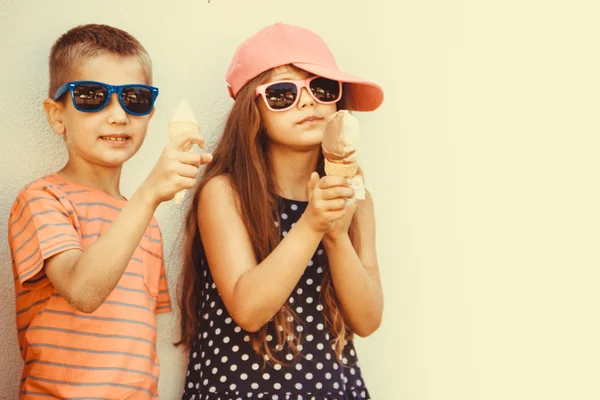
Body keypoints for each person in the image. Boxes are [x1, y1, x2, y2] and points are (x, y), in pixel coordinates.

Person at [177, 23, 384, 399]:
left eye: (321, 88)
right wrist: (312, 225)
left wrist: (336, 237)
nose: (307, 102)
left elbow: (367, 320)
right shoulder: (225, 194)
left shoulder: (358, 197)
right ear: (251, 111)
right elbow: (249, 308)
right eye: (282, 93)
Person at [7, 23, 211, 399]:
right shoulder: (41, 198)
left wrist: (145, 202)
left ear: (149, 113)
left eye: (134, 98)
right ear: (56, 115)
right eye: (92, 95)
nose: (118, 115)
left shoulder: (143, 220)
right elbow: (83, 292)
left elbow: (137, 342)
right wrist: (149, 194)